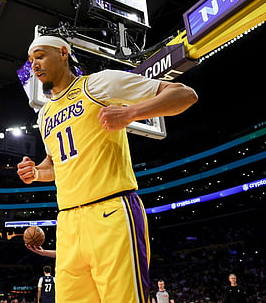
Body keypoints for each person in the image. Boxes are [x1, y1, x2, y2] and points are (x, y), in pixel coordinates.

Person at [17, 35, 198, 303]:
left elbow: (184, 94)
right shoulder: (44, 115)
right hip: (67, 222)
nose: (34, 65)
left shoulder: (99, 83)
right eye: (31, 60)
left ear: (63, 53)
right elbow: (54, 164)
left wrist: (131, 113)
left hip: (111, 211)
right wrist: (35, 172)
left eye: (41, 56)